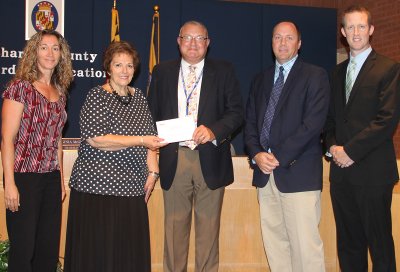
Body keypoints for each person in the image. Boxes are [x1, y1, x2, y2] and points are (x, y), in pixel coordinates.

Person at [147, 21, 243, 272]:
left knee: (209, 231)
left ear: (207, 43)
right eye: (187, 38)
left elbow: (236, 113)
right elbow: (151, 113)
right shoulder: (162, 72)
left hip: (210, 157)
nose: (192, 44)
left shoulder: (224, 71)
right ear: (178, 41)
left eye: (199, 38)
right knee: (174, 231)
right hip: (174, 158)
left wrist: (214, 131)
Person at [63, 41, 166, 272]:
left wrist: (153, 171)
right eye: (118, 65)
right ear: (108, 68)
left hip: (132, 188)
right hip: (97, 189)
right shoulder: (96, 96)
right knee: (99, 254)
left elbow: (150, 136)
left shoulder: (139, 96)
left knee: (127, 254)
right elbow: (97, 139)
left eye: (129, 65)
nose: (124, 70)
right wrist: (140, 141)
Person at [244, 21, 330, 272]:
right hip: (265, 174)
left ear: (299, 44)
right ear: (271, 43)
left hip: (298, 174)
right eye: (277, 38)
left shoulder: (315, 75)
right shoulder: (260, 80)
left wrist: (276, 155)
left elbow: (313, 125)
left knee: (306, 248)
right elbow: (249, 124)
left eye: (289, 38)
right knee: (275, 245)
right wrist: (257, 154)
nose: (282, 43)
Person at [324, 5, 400, 271]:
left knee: (379, 246)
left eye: (361, 26)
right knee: (348, 245)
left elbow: (386, 119)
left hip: (373, 174)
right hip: (341, 176)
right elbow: (330, 119)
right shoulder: (335, 73)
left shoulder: (390, 69)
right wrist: (332, 147)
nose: (356, 32)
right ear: (343, 32)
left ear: (371, 30)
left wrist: (350, 151)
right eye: (350, 27)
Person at [1, 29, 73, 272]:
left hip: (51, 178)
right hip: (24, 177)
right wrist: (9, 184)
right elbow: (7, 139)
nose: (50, 53)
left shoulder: (61, 92)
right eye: (44, 47)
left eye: (55, 48)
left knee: (47, 248)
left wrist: (60, 180)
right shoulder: (19, 87)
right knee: (24, 249)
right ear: (34, 51)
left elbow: (58, 141)